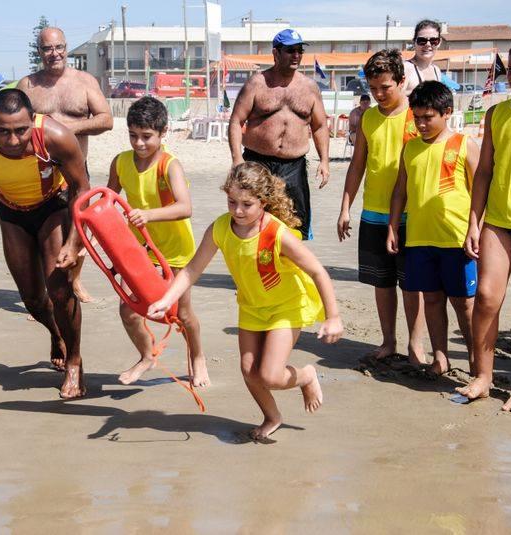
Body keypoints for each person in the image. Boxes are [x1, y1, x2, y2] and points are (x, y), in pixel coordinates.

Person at [148, 162, 342, 441]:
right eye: (232, 202)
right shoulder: (220, 228)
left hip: (285, 306)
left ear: (263, 202)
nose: (237, 211)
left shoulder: (277, 234)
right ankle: (272, 416)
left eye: (247, 204)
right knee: (249, 371)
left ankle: (306, 376)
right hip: (251, 306)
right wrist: (167, 299)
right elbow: (191, 270)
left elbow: (317, 271)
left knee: (271, 375)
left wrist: (333, 316)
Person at [0, 89, 90, 399]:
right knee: (32, 299)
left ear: (33, 120)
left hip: (54, 206)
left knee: (60, 288)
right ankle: (57, 334)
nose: (13, 140)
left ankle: (75, 362)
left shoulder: (55, 136)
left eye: (20, 130)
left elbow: (81, 187)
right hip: (12, 212)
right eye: (3, 131)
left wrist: (73, 241)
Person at [457, 33, 511, 412]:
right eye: (510, 69)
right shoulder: (496, 113)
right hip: (497, 218)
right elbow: (484, 173)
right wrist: (473, 221)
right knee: (488, 298)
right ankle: (484, 375)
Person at [105, 96, 210, 387]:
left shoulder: (169, 165)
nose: (139, 143)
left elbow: (185, 207)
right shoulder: (121, 162)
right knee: (128, 310)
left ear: (163, 134)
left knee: (183, 314)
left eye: (147, 137)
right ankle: (147, 355)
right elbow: (108, 201)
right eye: (133, 136)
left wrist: (148, 215)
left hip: (176, 252)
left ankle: (197, 357)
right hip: (140, 251)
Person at [336, 49, 426, 364]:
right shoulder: (369, 118)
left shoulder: (419, 115)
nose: (378, 94)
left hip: (413, 213)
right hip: (373, 212)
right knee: (381, 280)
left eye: (385, 87)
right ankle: (389, 341)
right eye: (373, 88)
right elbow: (357, 165)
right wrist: (346, 207)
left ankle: (416, 344)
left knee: (412, 283)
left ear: (402, 81)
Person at [387, 81, 479, 375]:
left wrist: (475, 230)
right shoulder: (410, 148)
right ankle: (441, 357)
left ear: (447, 113)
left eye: (429, 117)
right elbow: (400, 191)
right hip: (419, 239)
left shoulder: (464, 144)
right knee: (432, 299)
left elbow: (480, 191)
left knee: (464, 304)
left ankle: (478, 360)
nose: (422, 124)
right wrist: (392, 226)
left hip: (456, 238)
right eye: (417, 117)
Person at [19, 27, 113, 304]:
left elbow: (105, 119)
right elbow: (12, 125)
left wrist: (65, 128)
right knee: (41, 231)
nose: (54, 53)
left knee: (78, 227)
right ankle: (45, 289)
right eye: (47, 48)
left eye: (59, 47)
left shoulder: (84, 81)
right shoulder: (28, 85)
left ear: (66, 48)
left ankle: (74, 280)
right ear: (39, 52)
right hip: (38, 170)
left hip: (75, 168)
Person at [228, 28, 330, 241]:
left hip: (294, 165)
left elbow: (319, 126)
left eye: (299, 50)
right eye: (290, 50)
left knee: (294, 222)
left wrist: (324, 161)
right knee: (251, 219)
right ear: (275, 53)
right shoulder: (257, 83)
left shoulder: (310, 87)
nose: (296, 55)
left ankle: (288, 269)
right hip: (257, 161)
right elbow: (237, 121)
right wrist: (237, 158)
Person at [403, 20, 443, 96]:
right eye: (422, 40)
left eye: (433, 41)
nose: (428, 44)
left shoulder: (436, 70)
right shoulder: (406, 69)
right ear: (414, 42)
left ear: (439, 42)